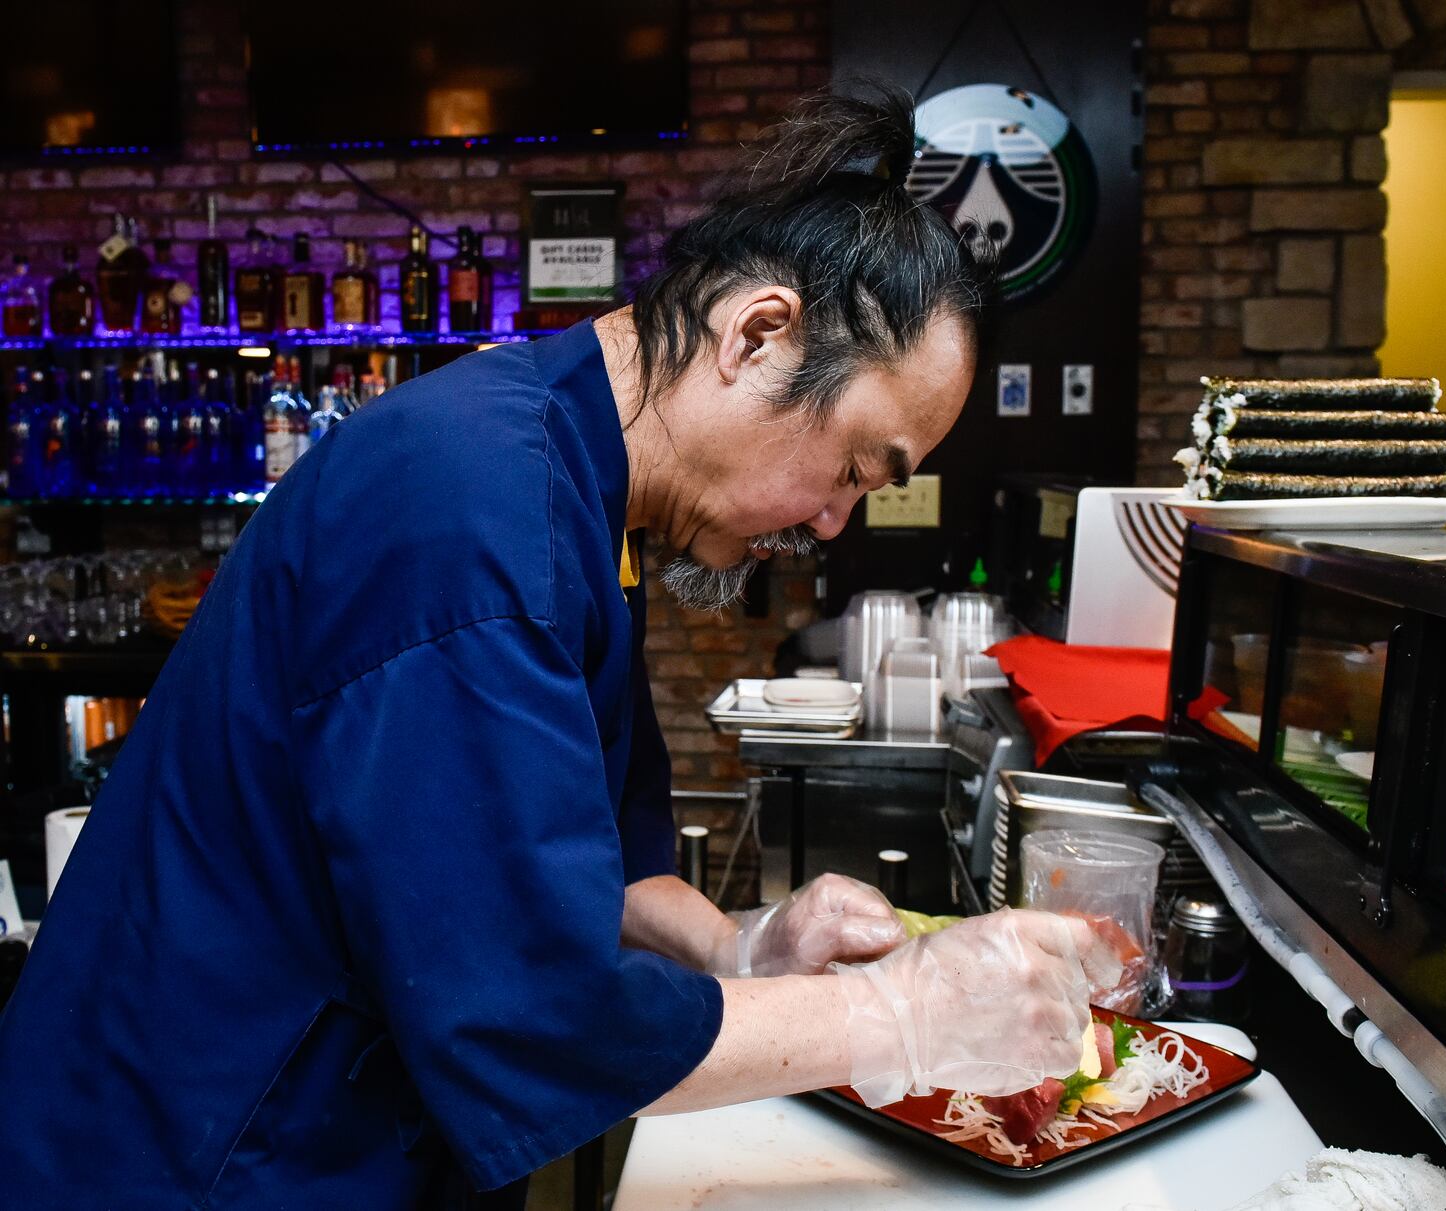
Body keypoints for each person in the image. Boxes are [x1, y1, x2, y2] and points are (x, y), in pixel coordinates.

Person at [0, 89, 1100, 1208]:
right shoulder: (472, 504)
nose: (831, 521)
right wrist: (900, 1014)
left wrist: (739, 949)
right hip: (203, 1148)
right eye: (860, 467)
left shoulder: (587, 497)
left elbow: (597, 867)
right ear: (758, 335)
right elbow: (533, 1009)